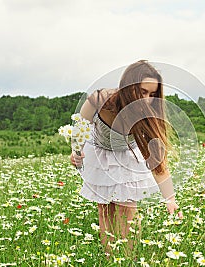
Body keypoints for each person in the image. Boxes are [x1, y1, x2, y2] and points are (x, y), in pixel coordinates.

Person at [70, 60, 182, 257]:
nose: (146, 99)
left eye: (152, 94)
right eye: (141, 91)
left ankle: (127, 259)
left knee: (127, 213)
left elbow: (157, 162)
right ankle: (110, 258)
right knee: (105, 213)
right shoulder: (99, 99)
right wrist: (76, 152)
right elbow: (80, 128)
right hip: (100, 155)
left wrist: (170, 198)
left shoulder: (147, 114)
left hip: (128, 158)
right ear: (127, 87)